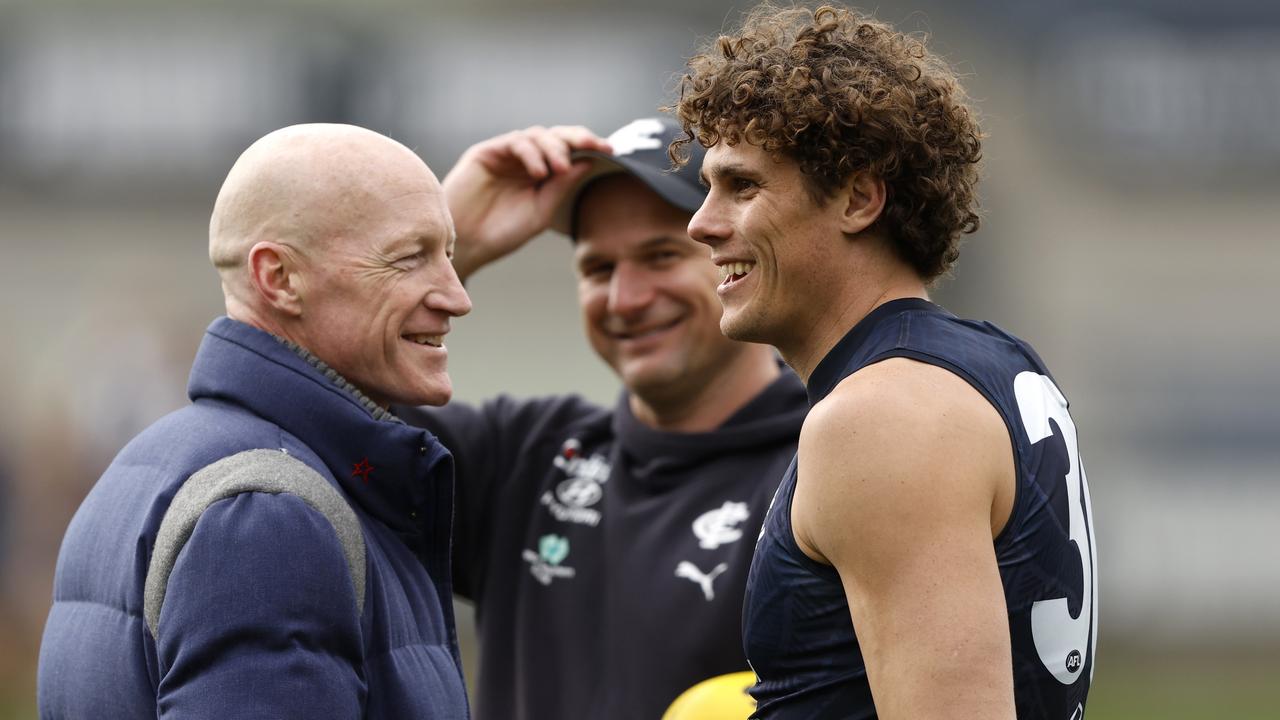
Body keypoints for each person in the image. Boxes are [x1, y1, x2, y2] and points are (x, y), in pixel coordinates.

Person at [673, 4, 1097, 719]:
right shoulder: (996, 361)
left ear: (859, 198)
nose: (701, 224)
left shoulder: (882, 416)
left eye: (742, 187)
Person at [37, 124, 473, 719]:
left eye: (449, 255)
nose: (456, 295)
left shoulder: (152, 465)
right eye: (409, 258)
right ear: (279, 278)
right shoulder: (267, 516)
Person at [395, 116, 808, 720]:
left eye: (661, 256)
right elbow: (309, 409)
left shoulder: (823, 466)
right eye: (598, 269)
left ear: (737, 257)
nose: (625, 299)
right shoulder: (524, 459)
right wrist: (446, 246)